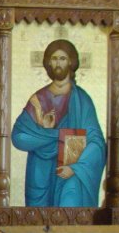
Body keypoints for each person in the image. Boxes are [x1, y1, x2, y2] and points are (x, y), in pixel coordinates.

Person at [11, 39, 106, 207]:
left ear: (71, 62)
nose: (58, 63)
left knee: (68, 211)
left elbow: (96, 142)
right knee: (38, 219)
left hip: (70, 173)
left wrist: (76, 168)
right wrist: (53, 134)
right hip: (40, 173)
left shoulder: (82, 100)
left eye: (63, 58)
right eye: (54, 58)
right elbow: (18, 137)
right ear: (48, 62)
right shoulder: (38, 100)